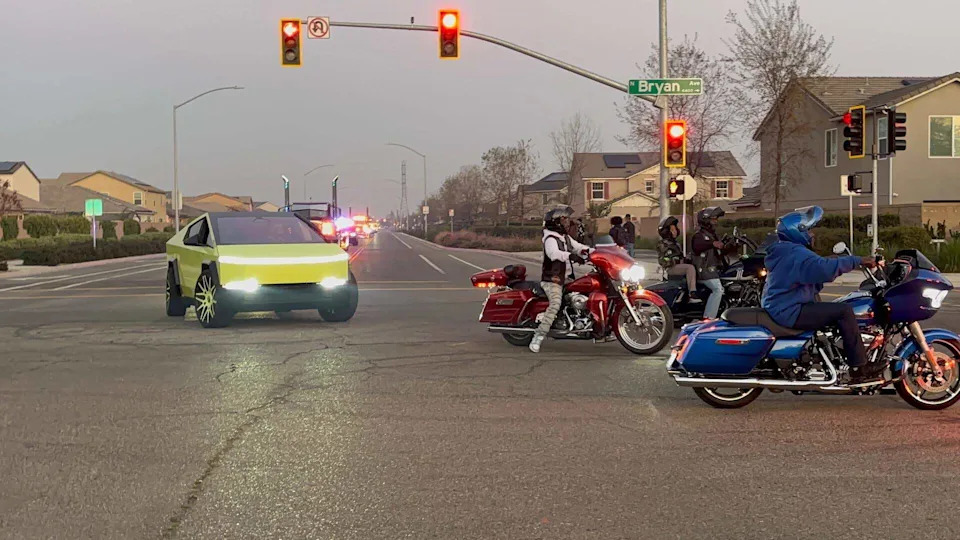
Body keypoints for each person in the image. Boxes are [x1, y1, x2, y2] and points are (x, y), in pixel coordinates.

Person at [762, 206, 885, 384]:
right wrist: (858, 260)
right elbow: (825, 269)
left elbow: (819, 265)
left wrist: (840, 261)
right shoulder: (796, 254)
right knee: (844, 311)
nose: (813, 235)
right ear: (798, 232)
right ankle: (859, 367)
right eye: (810, 230)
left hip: (784, 306)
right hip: (789, 310)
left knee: (833, 308)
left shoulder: (787, 251)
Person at [530, 206, 592, 353]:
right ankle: (538, 336)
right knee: (555, 304)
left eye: (566, 220)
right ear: (555, 222)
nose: (567, 223)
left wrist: (598, 253)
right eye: (564, 220)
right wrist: (570, 256)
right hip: (553, 280)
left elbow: (579, 247)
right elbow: (554, 254)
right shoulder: (550, 238)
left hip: (567, 278)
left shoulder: (564, 237)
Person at [691, 207, 732, 319]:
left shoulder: (712, 235)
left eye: (716, 219)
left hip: (714, 270)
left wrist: (730, 246)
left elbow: (720, 252)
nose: (716, 222)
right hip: (704, 270)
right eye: (713, 219)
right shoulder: (699, 235)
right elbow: (698, 246)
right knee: (717, 289)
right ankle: (708, 318)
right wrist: (712, 244)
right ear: (706, 220)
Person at [657, 216, 697, 299]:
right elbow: (663, 260)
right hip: (671, 268)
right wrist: (676, 260)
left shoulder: (676, 243)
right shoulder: (663, 244)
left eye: (675, 229)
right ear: (666, 231)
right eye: (672, 230)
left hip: (678, 266)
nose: (674, 232)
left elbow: (681, 256)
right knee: (690, 268)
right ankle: (692, 292)